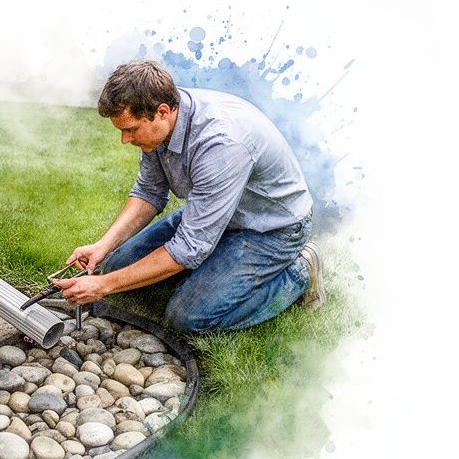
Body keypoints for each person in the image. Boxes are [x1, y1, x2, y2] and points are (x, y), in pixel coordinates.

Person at [54, 59, 325, 333]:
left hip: (270, 230)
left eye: (131, 129)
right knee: (116, 264)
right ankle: (210, 273)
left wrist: (103, 285)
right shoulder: (161, 118)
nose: (125, 140)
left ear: (162, 112)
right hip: (214, 214)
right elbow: (149, 192)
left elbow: (190, 248)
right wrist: (104, 245)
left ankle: (300, 272)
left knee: (188, 317)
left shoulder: (221, 143)